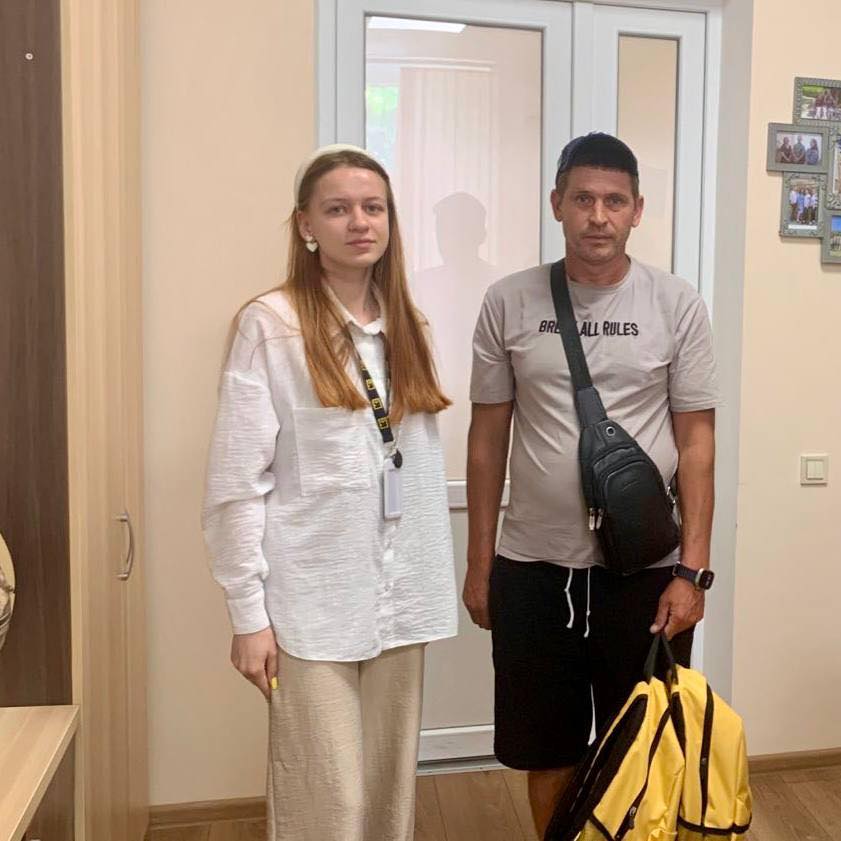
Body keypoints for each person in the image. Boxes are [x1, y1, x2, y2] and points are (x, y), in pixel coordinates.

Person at [464, 133, 718, 837]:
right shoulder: (509, 300)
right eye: (582, 199)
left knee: (643, 746)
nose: (597, 216)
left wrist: (692, 571)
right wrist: (480, 563)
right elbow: (486, 440)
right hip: (531, 566)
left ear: (637, 210)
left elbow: (697, 444)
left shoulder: (676, 303)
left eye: (614, 201)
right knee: (544, 747)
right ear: (557, 203)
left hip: (644, 571)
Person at [202, 144, 458, 841]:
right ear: (306, 225)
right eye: (338, 209)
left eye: (373, 207)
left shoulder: (411, 326)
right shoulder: (270, 324)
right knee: (327, 799)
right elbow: (235, 484)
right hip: (310, 601)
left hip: (401, 594)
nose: (359, 222)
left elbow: (411, 461)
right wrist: (247, 615)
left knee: (386, 792)